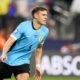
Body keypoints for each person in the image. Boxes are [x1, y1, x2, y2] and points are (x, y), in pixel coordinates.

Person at [0, 7, 49, 80]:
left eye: (46, 15)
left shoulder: (45, 31)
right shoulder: (24, 26)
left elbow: (39, 49)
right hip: (8, 59)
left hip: (23, 62)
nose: (46, 17)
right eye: (43, 15)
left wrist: (38, 66)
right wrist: (4, 53)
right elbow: (10, 41)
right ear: (35, 16)